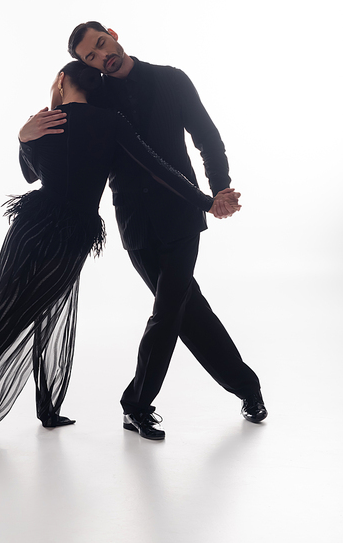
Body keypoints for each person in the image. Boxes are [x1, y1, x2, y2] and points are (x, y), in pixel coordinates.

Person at [0, 61, 239, 442]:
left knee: (2, 317)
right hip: (70, 235)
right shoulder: (111, 122)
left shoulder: (42, 123)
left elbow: (31, 175)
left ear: (61, 81)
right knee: (15, 322)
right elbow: (158, 168)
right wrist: (206, 201)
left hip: (30, 227)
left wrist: (23, 138)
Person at [19, 22, 267, 441]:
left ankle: (136, 404)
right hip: (134, 222)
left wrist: (219, 187)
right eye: (90, 58)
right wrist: (24, 137)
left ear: (113, 34)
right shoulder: (94, 98)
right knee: (188, 309)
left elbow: (206, 135)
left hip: (183, 214)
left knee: (169, 311)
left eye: (101, 44)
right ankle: (247, 388)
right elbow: (55, 152)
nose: (102, 57)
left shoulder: (172, 80)